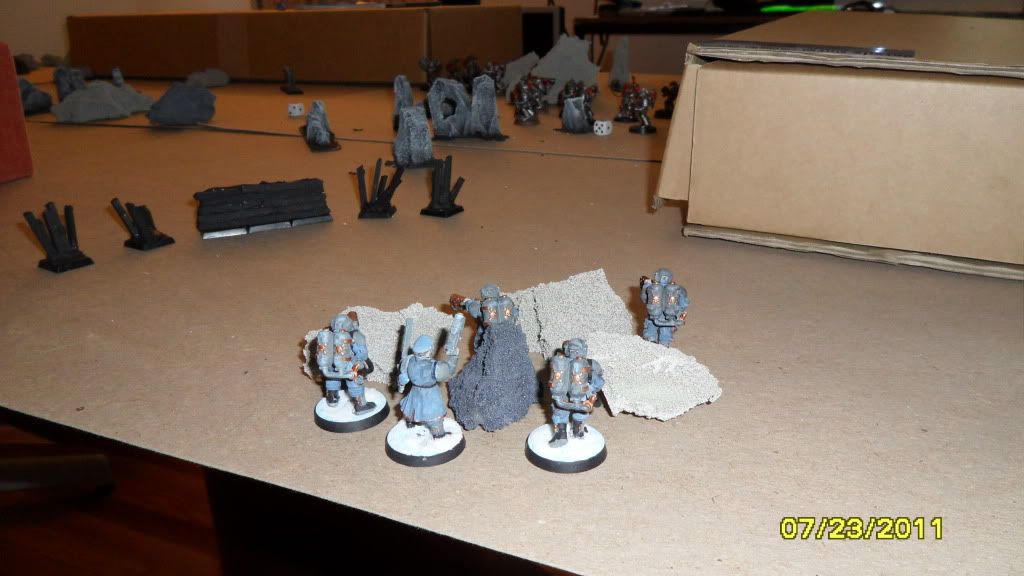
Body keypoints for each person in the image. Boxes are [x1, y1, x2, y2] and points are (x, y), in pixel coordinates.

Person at [548, 338, 604, 446]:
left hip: (562, 397)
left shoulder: (560, 363)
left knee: (560, 414)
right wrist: (592, 391)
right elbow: (599, 381)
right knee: (580, 415)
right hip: (582, 397)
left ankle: (561, 434)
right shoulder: (590, 364)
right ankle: (578, 432)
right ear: (584, 350)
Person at [316, 312, 375, 414]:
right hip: (348, 364)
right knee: (355, 382)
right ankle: (361, 405)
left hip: (330, 365)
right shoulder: (355, 335)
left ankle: (332, 398)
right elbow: (362, 354)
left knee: (332, 378)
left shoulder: (329, 335)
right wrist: (359, 363)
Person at [640, 267, 689, 346]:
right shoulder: (677, 289)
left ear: (657, 276)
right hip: (668, 319)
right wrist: (681, 314)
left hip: (653, 317)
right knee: (665, 339)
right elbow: (684, 303)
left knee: (650, 336)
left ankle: (651, 347)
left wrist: (645, 287)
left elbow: (644, 299)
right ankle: (664, 347)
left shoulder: (652, 288)